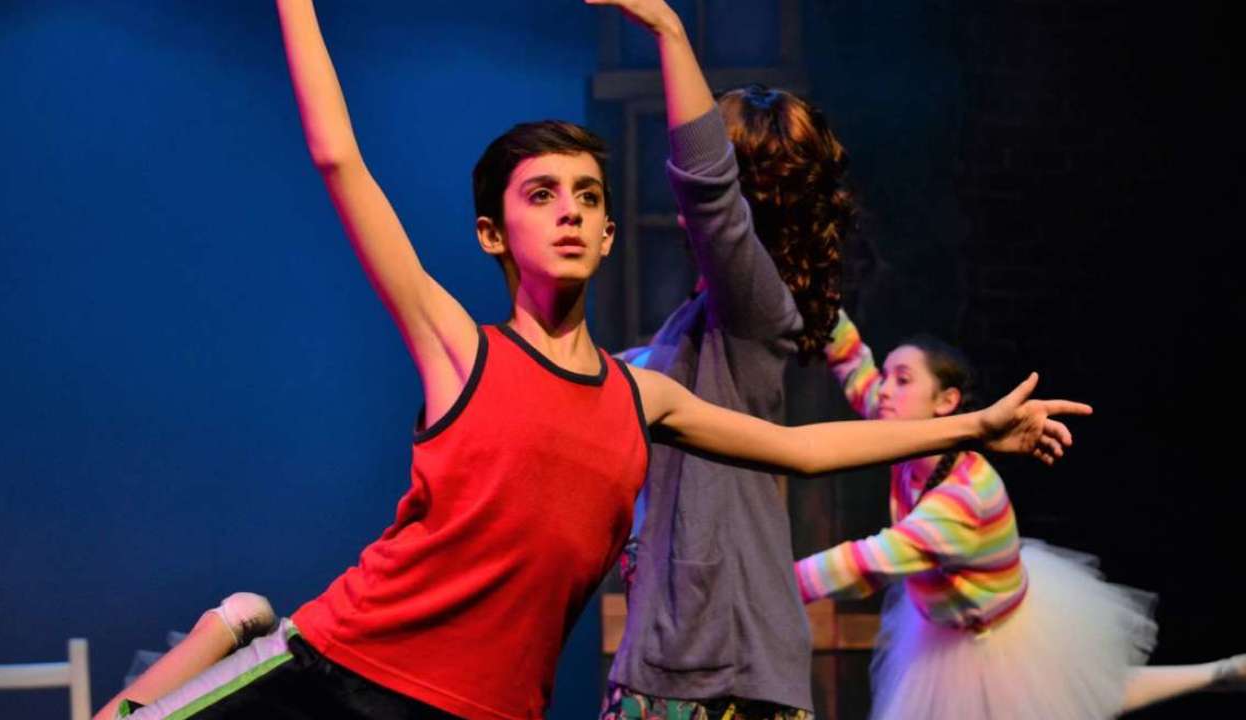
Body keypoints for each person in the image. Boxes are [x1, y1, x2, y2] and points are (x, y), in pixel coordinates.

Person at [102, 2, 1090, 718]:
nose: (569, 212)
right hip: (350, 666)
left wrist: (975, 426)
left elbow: (800, 450)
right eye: (541, 196)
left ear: (613, 233)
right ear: (491, 234)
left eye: (585, 197)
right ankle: (229, 627)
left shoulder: (641, 390)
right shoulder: (463, 350)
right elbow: (337, 159)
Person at [588, 1, 852, 718]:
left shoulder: (753, 309)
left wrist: (669, 31)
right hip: (689, 652)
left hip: (718, 664)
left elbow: (707, 188)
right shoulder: (705, 322)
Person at [794, 310, 1246, 719]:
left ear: (945, 402)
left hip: (994, 636)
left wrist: (777, 583)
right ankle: (1220, 673)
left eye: (903, 379)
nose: (885, 391)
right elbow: (853, 362)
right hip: (943, 623)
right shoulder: (905, 432)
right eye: (887, 377)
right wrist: (816, 296)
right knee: (1085, 695)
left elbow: (866, 561)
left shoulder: (963, 499)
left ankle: (1219, 673)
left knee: (1084, 697)